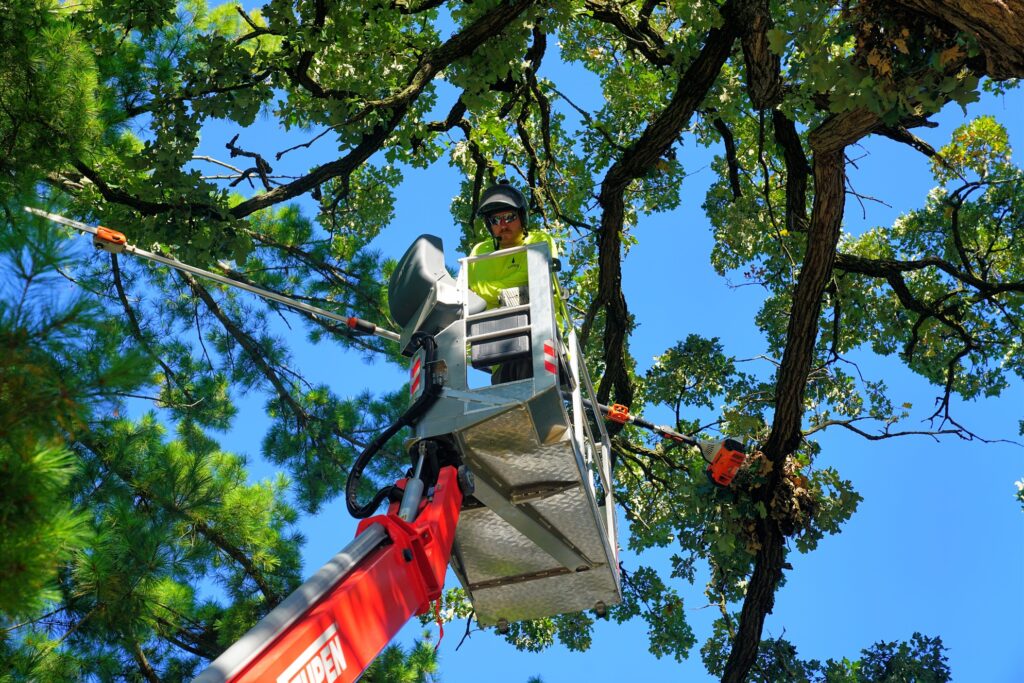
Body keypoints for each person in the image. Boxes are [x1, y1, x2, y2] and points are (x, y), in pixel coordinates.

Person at [467, 183, 558, 384]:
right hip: (498, 350)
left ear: (522, 217)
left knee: (518, 295)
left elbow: (534, 276)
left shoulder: (538, 240)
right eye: (495, 220)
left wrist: (488, 291)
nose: (503, 224)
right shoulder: (479, 251)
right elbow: (466, 293)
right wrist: (499, 290)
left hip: (538, 337)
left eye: (509, 217)